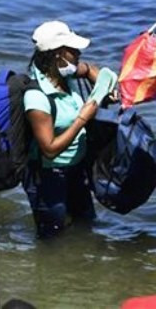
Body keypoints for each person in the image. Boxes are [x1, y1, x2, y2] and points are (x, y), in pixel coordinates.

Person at [22, 21, 115, 238]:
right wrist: (83, 118)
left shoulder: (67, 73)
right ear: (57, 55)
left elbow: (94, 71)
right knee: (52, 238)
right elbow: (50, 149)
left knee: (86, 226)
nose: (78, 53)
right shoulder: (37, 97)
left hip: (76, 169)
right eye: (73, 50)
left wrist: (106, 89)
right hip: (49, 176)